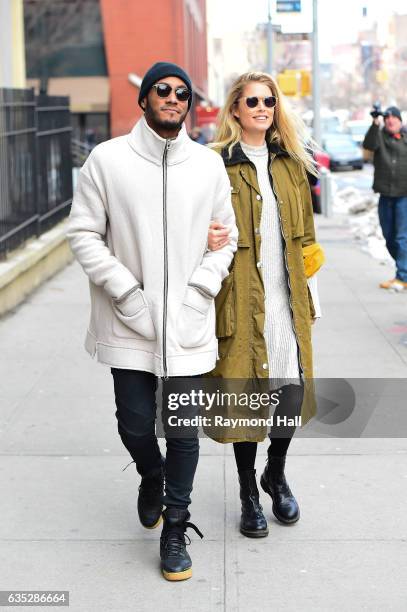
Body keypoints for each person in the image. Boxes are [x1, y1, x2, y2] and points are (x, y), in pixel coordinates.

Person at [67, 61, 238, 581]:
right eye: (161, 90)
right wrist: (125, 290)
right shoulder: (108, 160)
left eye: (181, 93)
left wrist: (201, 291)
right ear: (144, 100)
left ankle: (175, 526)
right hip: (130, 320)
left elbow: (225, 237)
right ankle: (150, 474)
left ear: (188, 104)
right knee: (137, 423)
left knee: (184, 430)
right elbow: (82, 233)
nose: (172, 98)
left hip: (187, 321)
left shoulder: (208, 165)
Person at [206, 71, 324, 537]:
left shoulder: (292, 163)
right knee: (246, 401)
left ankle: (274, 473)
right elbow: (196, 227)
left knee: (290, 395)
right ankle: (248, 493)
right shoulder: (214, 163)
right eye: (251, 100)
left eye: (269, 101)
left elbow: (308, 239)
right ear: (235, 108)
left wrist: (313, 292)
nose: (261, 107)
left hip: (287, 298)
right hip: (240, 300)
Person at [363, 105, 407, 291]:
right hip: (385, 196)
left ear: (400, 121)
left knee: (401, 237)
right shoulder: (379, 136)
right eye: (387, 118)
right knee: (389, 238)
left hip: (403, 196)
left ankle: (402, 276)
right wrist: (375, 123)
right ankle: (403, 271)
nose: (390, 121)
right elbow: (369, 145)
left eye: (393, 118)